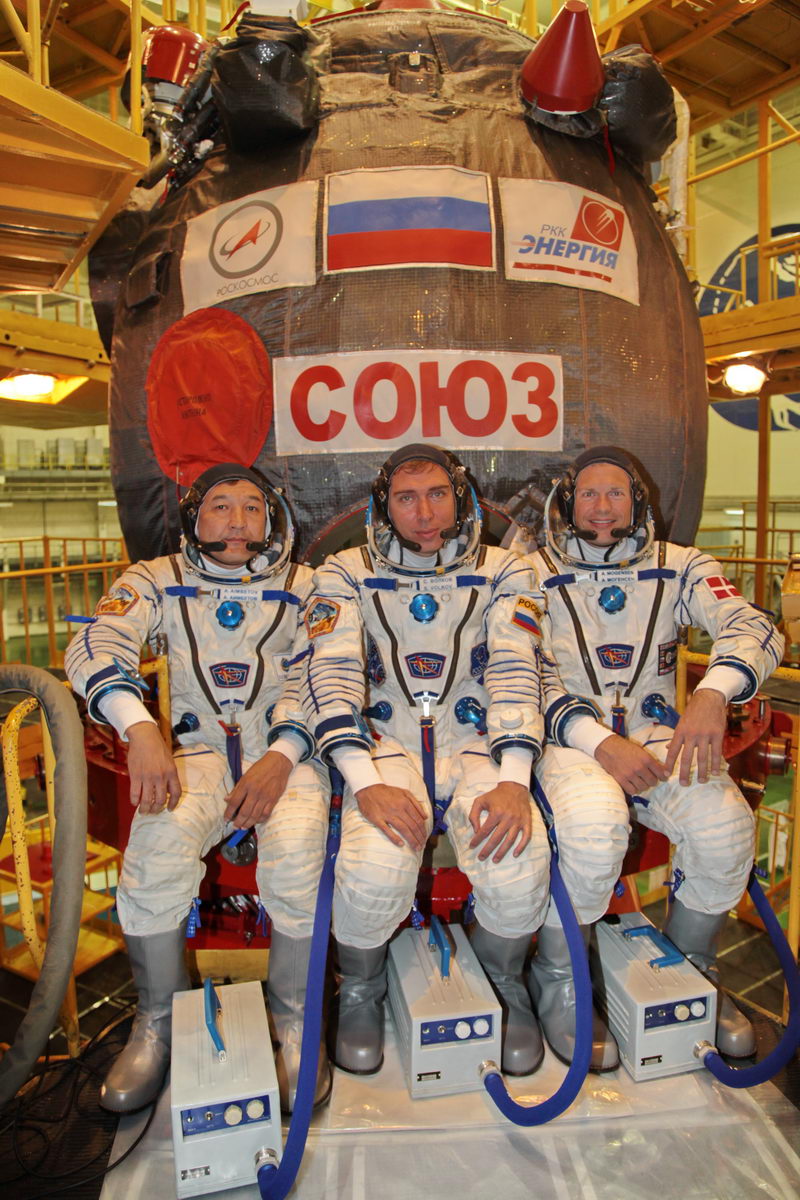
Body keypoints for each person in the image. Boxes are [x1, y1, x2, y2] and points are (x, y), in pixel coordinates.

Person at [65, 463, 330, 1114]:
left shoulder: (309, 586)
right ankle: (155, 1022)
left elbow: (329, 673)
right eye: (220, 506)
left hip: (288, 754)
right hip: (199, 754)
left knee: (297, 854)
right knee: (155, 849)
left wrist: (282, 753)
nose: (237, 521)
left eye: (251, 507)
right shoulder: (158, 581)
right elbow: (98, 642)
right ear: (193, 517)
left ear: (272, 520)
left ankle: (295, 1021)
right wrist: (138, 727)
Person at [515, 446, 783, 1069]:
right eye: (589, 493)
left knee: (723, 827)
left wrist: (714, 693)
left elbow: (755, 626)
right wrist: (599, 741)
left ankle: (690, 970)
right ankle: (562, 983)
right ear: (567, 502)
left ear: (638, 502)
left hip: (659, 732)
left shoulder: (682, 566)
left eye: (616, 493)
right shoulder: (529, 573)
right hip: (574, 740)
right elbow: (519, 670)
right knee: (591, 827)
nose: (602, 506)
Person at [300, 443, 550, 1077]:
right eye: (406, 498)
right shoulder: (343, 573)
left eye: (437, 494)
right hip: (386, 747)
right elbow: (329, 675)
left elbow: (517, 672)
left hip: (475, 746)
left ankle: (502, 978)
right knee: (372, 865)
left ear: (460, 498)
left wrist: (516, 778)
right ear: (383, 507)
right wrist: (363, 782)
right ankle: (361, 987)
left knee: (521, 859)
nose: (423, 513)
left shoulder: (505, 572)